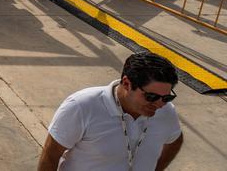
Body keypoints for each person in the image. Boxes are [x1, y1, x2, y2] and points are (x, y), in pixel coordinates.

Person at [39, 51, 183, 170]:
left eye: (167, 98)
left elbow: (175, 140)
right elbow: (51, 155)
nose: (159, 104)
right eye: (151, 97)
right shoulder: (82, 106)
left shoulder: (166, 111)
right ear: (126, 83)